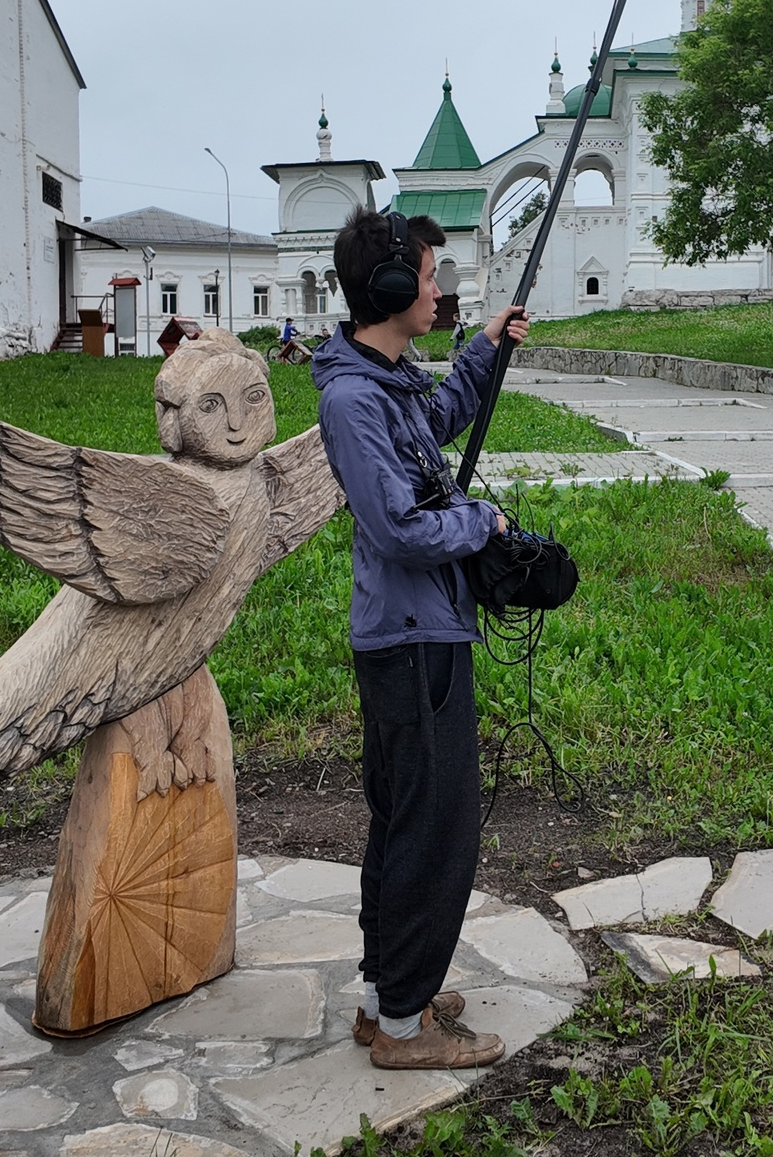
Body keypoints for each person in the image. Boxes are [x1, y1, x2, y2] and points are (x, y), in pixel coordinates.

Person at [312, 209, 528, 1070]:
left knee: (407, 819)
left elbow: (434, 425)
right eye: (432, 277)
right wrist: (484, 521)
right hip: (409, 642)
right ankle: (406, 1027)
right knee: (431, 830)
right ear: (394, 289)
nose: (438, 290)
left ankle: (385, 996)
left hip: (424, 629)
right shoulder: (352, 398)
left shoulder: (384, 379)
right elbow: (401, 527)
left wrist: (481, 347)